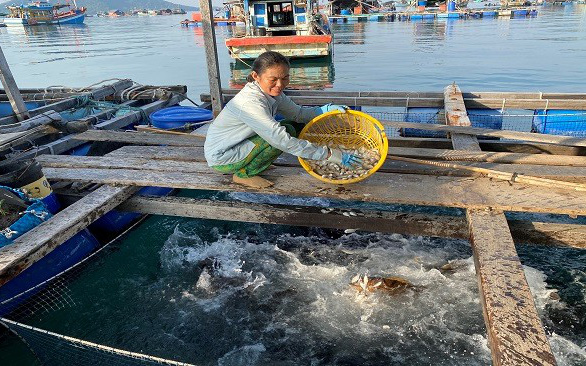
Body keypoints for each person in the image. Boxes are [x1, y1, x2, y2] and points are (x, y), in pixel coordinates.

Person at [204, 51, 360, 189]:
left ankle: (257, 163)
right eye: (273, 79)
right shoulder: (250, 102)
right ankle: (244, 175)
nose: (280, 85)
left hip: (241, 142)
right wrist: (329, 155)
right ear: (256, 76)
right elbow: (280, 140)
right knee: (280, 137)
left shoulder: (273, 93)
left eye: (285, 78)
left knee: (294, 126)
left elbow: (298, 114)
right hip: (223, 157)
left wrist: (323, 110)